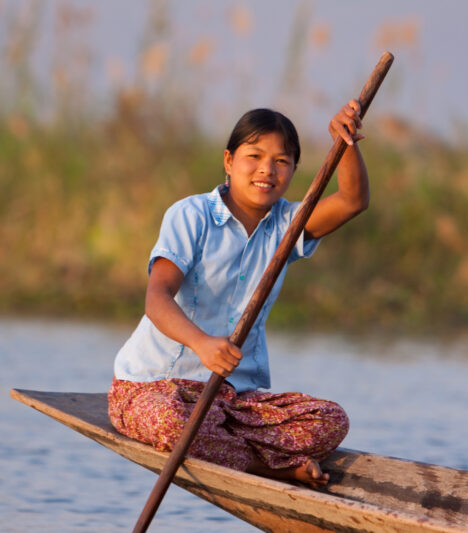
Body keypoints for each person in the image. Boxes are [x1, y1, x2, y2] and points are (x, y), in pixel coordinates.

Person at [109, 100, 369, 487]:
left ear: (294, 171)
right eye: (254, 156)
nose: (267, 169)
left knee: (329, 420)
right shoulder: (191, 215)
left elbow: (352, 201)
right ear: (229, 161)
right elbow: (157, 298)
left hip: (230, 402)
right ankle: (266, 467)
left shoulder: (286, 224)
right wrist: (203, 345)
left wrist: (345, 142)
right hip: (154, 388)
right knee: (170, 423)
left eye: (282, 161)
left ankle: (222, 444)